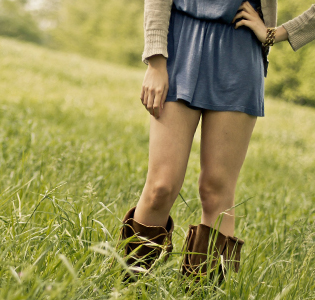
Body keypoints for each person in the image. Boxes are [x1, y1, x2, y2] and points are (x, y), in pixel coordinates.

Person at [120, 0, 315, 281]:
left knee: (216, 192)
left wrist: (276, 33)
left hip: (239, 51)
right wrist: (155, 60)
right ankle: (128, 290)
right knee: (161, 186)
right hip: (179, 44)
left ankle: (201, 293)